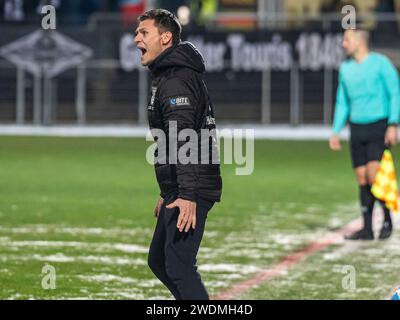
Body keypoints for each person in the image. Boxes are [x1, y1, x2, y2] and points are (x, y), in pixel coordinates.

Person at [134, 9, 222, 299]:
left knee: (179, 267)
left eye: (144, 33)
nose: (137, 40)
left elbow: (184, 139)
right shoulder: (169, 74)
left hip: (192, 185)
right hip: (183, 184)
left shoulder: (175, 80)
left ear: (166, 37)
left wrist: (186, 195)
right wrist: (169, 189)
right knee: (160, 261)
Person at [329, 29, 400, 240]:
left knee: (373, 176)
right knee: (361, 179)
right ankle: (367, 229)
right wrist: (335, 130)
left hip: (378, 125)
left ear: (360, 42)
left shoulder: (381, 64)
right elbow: (342, 101)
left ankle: (387, 219)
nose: (343, 44)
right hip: (357, 128)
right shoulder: (345, 69)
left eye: (347, 40)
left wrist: (393, 124)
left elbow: (394, 92)